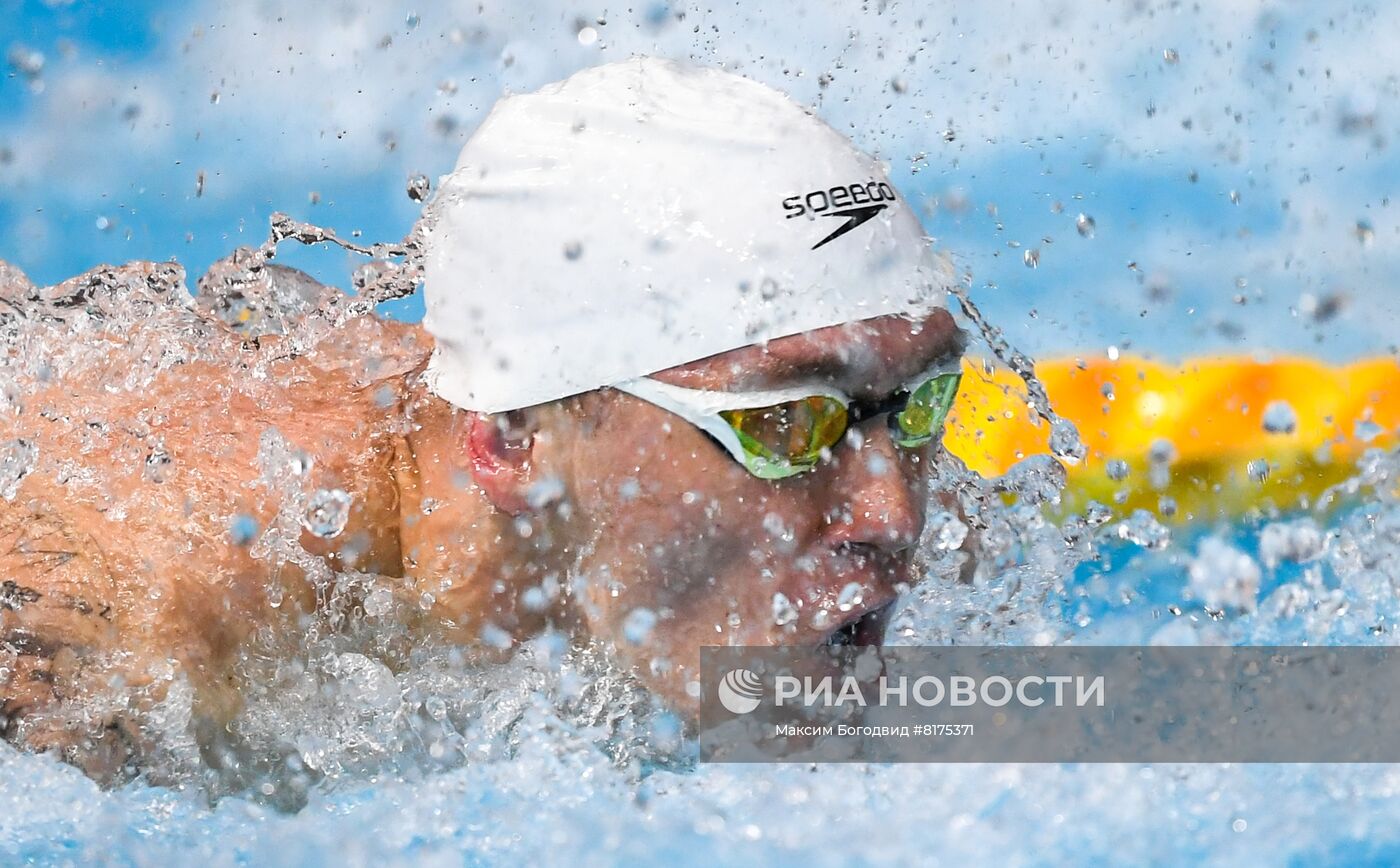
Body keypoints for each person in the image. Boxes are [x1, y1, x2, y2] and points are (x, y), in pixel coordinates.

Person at [0, 57, 966, 781]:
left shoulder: (876, 503)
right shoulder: (149, 615)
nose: (894, 517)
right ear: (510, 440)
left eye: (921, 402)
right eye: (783, 425)